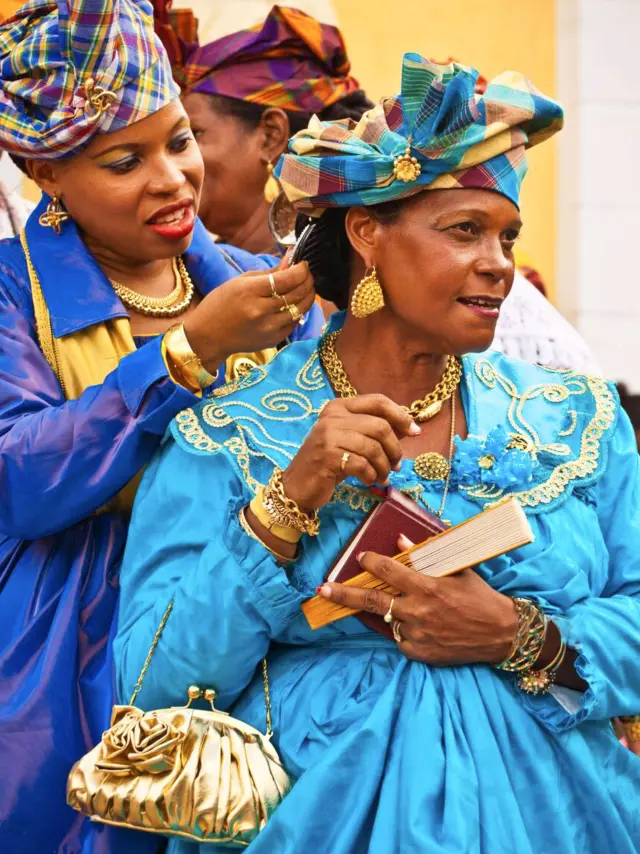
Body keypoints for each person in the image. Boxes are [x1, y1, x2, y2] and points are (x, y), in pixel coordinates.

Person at [116, 55, 640, 853]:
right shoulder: (232, 430)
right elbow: (150, 685)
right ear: (367, 233)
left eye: (507, 237)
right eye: (464, 230)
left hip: (560, 815)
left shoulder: (576, 418)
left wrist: (517, 636)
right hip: (314, 819)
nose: (498, 263)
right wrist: (287, 501)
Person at [0, 1, 320, 852]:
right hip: (72, 650)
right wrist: (188, 351)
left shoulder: (268, 286)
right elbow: (22, 482)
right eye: (122, 159)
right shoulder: (9, 293)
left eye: (179, 141)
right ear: (44, 170)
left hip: (261, 630)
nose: (173, 179)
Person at [154, 2, 374, 256]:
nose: (172, 163)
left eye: (192, 136)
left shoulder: (341, 276)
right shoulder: (183, 278)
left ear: (270, 135)